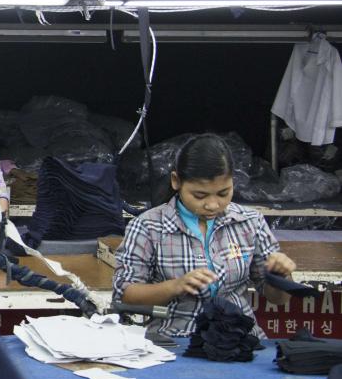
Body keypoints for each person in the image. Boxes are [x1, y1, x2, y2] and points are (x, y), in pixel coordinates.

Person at [112, 133, 297, 338]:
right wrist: (176, 286)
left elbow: (278, 299)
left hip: (240, 339)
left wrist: (280, 277)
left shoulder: (250, 222)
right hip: (174, 340)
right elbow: (126, 296)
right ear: (176, 181)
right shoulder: (148, 227)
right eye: (200, 195)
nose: (212, 205)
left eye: (223, 193)